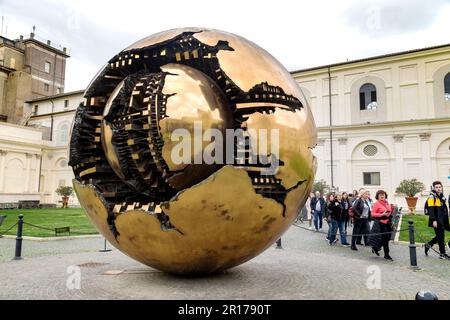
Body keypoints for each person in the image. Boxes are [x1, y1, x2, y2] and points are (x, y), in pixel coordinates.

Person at [424, 181, 450, 259]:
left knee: (439, 236)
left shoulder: (441, 196)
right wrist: (434, 220)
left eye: (440, 187)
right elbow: (431, 209)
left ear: (441, 187)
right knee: (441, 237)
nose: (438, 188)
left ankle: (428, 244)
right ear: (434, 188)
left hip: (443, 219)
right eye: (437, 187)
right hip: (437, 220)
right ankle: (442, 253)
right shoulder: (432, 197)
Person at [370, 190, 394, 260]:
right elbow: (372, 214)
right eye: (380, 195)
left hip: (388, 222)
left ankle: (376, 247)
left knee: (388, 237)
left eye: (383, 195)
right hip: (381, 222)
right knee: (385, 238)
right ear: (377, 196)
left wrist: (391, 209)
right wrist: (381, 214)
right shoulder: (376, 204)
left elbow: (388, 211)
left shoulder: (386, 202)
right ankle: (386, 254)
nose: (382, 196)